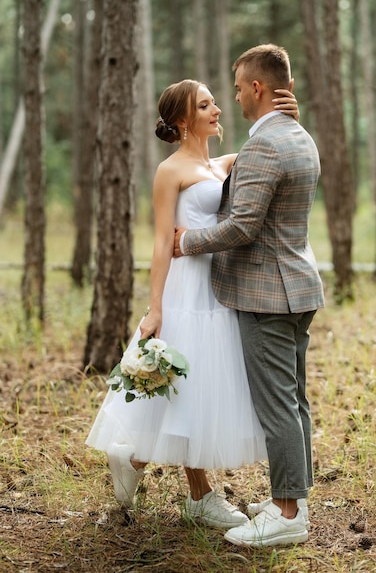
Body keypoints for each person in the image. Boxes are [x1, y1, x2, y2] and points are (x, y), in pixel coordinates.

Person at [85, 78, 300, 530]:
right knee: (180, 386)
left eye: (216, 102)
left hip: (220, 289)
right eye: (205, 105)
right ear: (183, 120)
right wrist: (155, 306)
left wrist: (288, 116)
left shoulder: (222, 165)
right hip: (186, 291)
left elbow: (271, 147)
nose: (217, 109)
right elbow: (164, 242)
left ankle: (139, 460)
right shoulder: (171, 171)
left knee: (198, 391)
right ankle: (197, 493)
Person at [174, 44, 325, 547]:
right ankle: (293, 497)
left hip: (267, 295)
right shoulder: (299, 135)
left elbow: (242, 226)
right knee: (296, 400)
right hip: (298, 287)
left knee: (278, 405)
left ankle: (286, 515)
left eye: (238, 88)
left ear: (257, 87)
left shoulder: (265, 143)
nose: (234, 97)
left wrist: (186, 242)